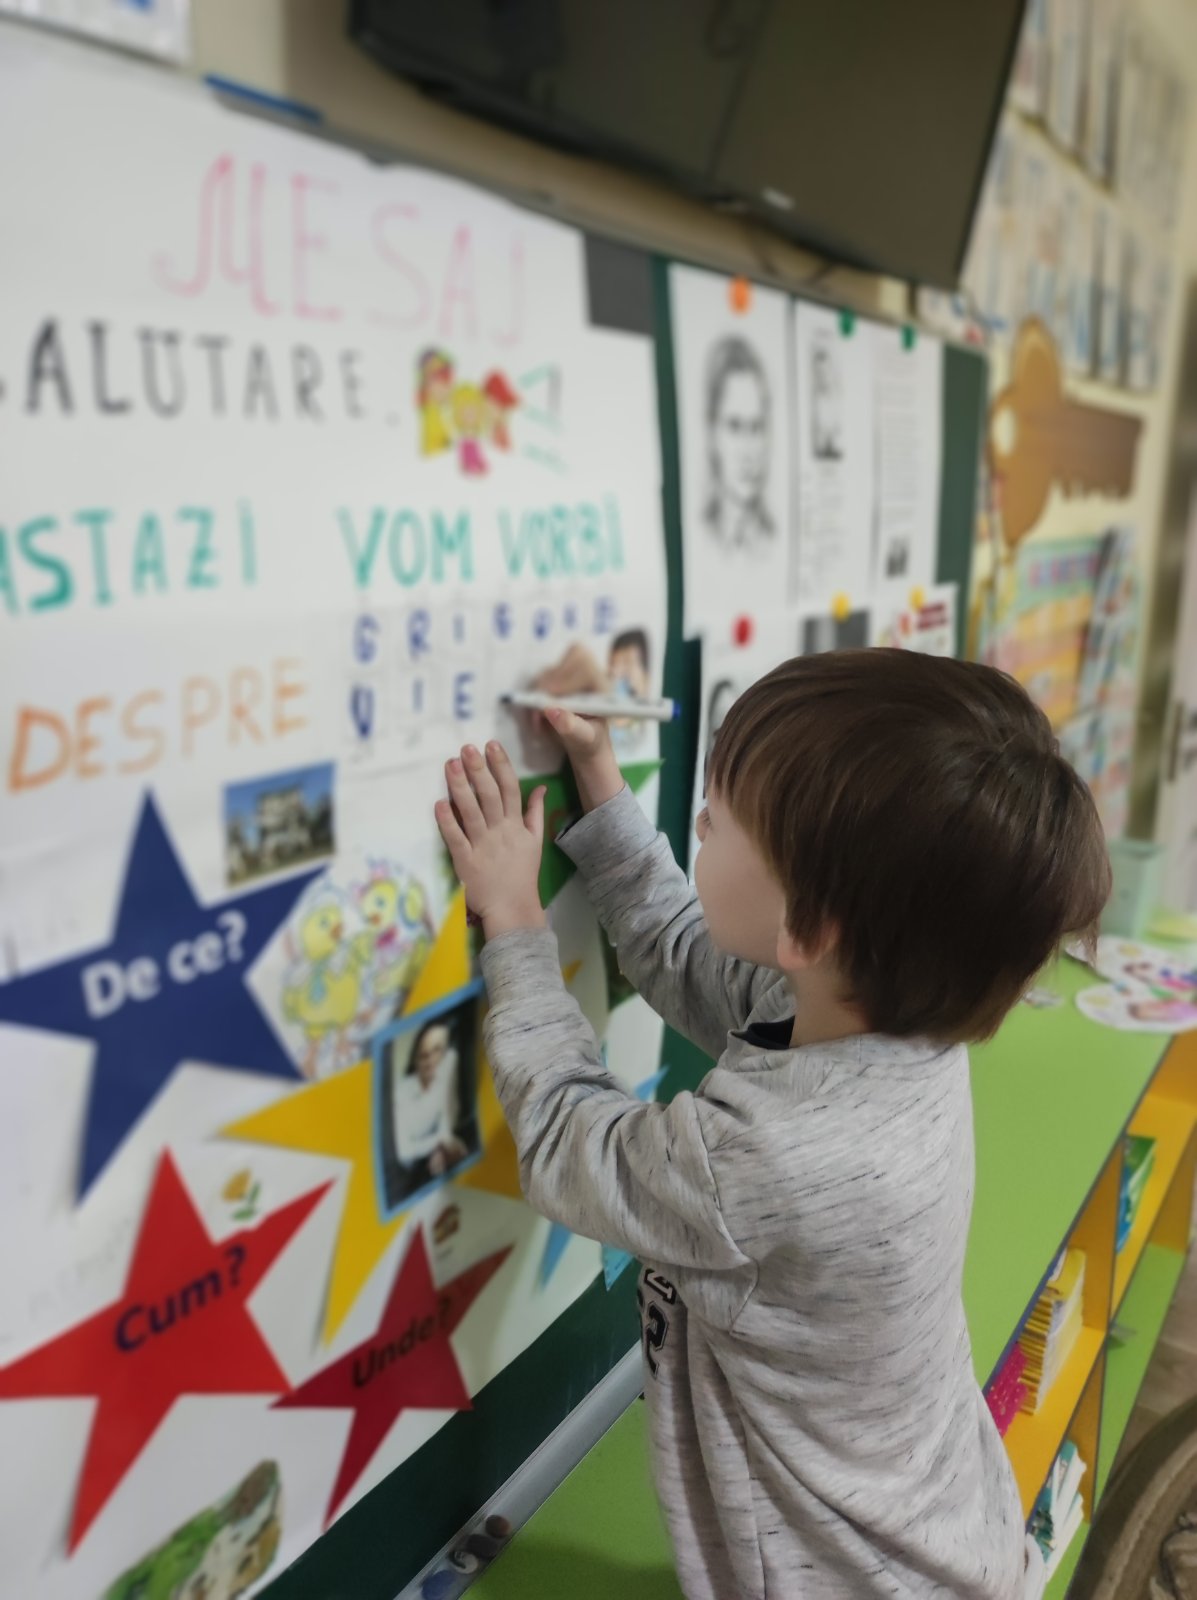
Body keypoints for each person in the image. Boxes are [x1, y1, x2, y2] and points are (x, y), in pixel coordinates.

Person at [434, 644, 1109, 1600]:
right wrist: (596, 773)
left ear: (810, 926)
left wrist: (512, 919)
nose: (698, 820)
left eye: (720, 817)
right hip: (939, 1524)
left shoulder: (769, 1160)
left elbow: (561, 1132)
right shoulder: (892, 1013)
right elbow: (682, 953)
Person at [703, 336, 774, 551]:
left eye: (756, 427)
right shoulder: (703, 534)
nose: (748, 450)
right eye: (735, 426)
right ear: (712, 433)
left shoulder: (771, 539)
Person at [390, 1018, 467, 1197]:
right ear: (416, 1059)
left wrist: (441, 1147)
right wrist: (439, 1142)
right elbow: (404, 1152)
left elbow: (447, 1128)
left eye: (437, 1051)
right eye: (423, 1055)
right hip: (408, 1177)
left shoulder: (446, 1082)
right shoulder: (403, 1091)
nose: (430, 1061)